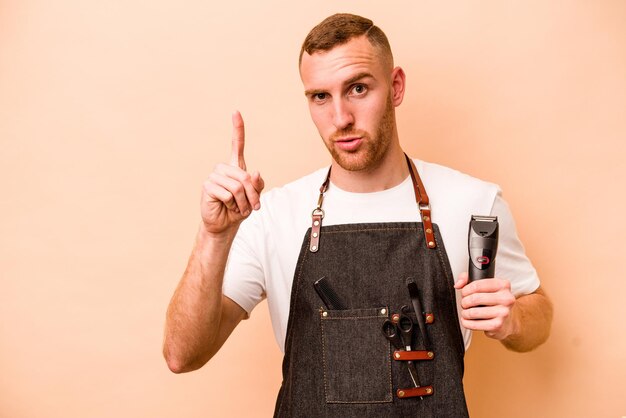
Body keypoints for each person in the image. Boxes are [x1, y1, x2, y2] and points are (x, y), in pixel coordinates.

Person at [163, 13, 553, 417]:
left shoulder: (473, 203)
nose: (340, 118)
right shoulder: (272, 214)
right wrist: (213, 236)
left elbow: (538, 312)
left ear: (396, 87)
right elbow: (182, 355)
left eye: (358, 89)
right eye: (320, 97)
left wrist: (514, 322)